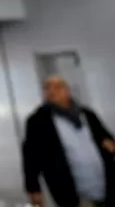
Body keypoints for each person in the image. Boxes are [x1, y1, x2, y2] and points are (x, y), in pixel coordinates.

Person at [23, 75, 115, 207]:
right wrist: (33, 189)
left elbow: (105, 138)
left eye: (58, 87)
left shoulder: (86, 114)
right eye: (47, 88)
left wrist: (109, 144)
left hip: (106, 184)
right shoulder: (37, 121)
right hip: (71, 191)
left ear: (67, 90)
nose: (52, 91)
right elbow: (30, 157)